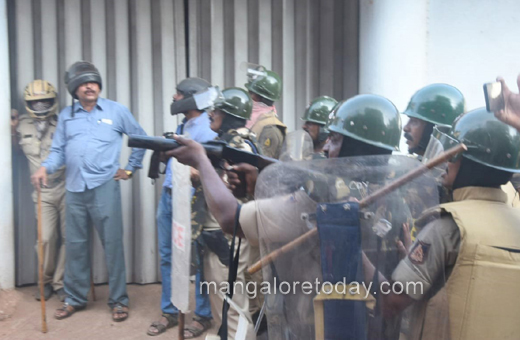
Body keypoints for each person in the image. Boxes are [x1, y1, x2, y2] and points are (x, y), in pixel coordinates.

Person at [165, 94, 413, 339]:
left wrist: (200, 160)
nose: (326, 146)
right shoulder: (400, 201)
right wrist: (258, 187)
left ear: (354, 146)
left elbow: (231, 219)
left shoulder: (322, 202)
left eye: (335, 139)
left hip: (318, 326)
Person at [374, 107, 520, 339]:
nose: (445, 161)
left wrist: (352, 249)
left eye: (452, 154)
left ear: (467, 161)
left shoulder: (446, 228)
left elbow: (391, 303)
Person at [30, 61, 147, 322]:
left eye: (93, 82)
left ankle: (118, 300)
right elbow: (58, 151)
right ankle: (75, 298)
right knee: (76, 247)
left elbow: (140, 138)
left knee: (113, 245)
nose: (90, 86)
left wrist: (130, 169)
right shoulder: (66, 116)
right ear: (74, 89)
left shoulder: (117, 111)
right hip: (74, 189)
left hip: (104, 187)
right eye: (83, 83)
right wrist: (45, 168)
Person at [147, 77, 216, 337]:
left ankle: (202, 315)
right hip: (169, 196)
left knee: (197, 259)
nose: (174, 99)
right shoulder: (184, 125)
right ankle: (170, 311)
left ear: (189, 98)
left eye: (178, 95)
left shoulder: (208, 131)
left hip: (189, 201)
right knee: (167, 256)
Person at [199, 87, 257, 339]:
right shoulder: (241, 142)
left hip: (225, 239)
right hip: (235, 236)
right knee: (239, 304)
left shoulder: (234, 147)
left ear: (230, 115)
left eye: (217, 110)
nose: (211, 113)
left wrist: (197, 171)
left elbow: (227, 190)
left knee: (230, 308)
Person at [14, 80, 66, 301]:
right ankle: (44, 282)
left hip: (66, 187)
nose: (40, 106)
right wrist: (9, 131)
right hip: (42, 192)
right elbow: (14, 152)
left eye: (45, 101)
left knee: (70, 238)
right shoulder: (20, 125)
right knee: (45, 238)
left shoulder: (64, 122)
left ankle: (60, 283)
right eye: (35, 102)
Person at [403, 84, 465, 159]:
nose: (406, 128)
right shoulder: (414, 165)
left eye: (414, 122)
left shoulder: (445, 170)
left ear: (432, 128)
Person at [245, 68, 286, 159]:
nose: (247, 96)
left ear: (259, 97)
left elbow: (263, 165)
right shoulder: (253, 119)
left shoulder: (271, 129)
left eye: (251, 93)